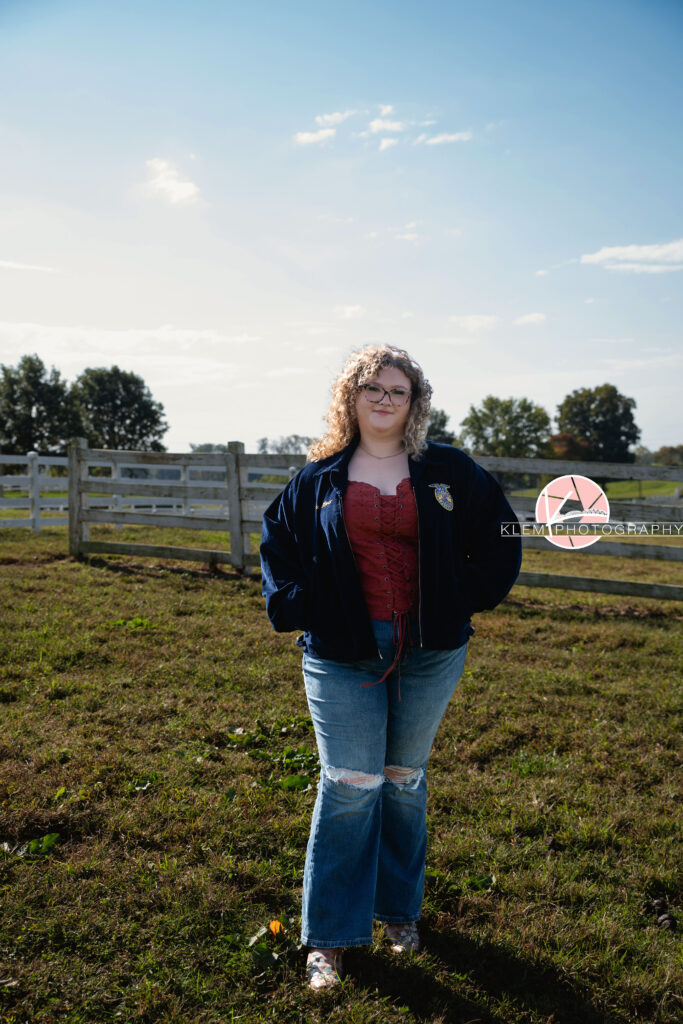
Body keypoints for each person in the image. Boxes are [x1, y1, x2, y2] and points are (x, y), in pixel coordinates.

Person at [260, 345, 521, 990]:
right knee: (351, 783)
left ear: (415, 402)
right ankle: (329, 940)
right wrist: (300, 604)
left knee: (403, 778)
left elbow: (501, 534)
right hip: (342, 651)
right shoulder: (317, 477)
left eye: (397, 390)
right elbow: (279, 547)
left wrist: (467, 595)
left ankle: (399, 913)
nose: (383, 398)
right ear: (351, 397)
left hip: (430, 651)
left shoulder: (449, 471)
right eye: (371, 387)